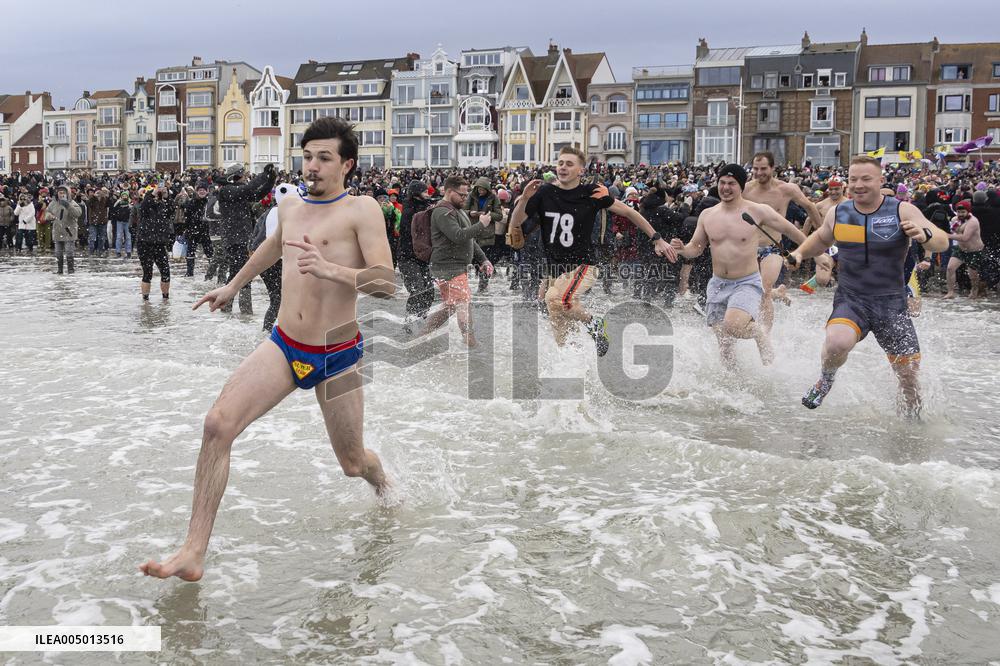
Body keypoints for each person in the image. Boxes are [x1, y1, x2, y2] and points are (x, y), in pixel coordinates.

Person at [140, 117, 395, 581]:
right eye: (307, 156)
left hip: (338, 352)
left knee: (353, 463)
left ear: (347, 164)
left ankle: (386, 489)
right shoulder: (292, 204)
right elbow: (275, 247)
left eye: (324, 158)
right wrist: (232, 286)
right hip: (284, 343)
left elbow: (386, 282)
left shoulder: (363, 211)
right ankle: (193, 551)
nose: (312, 166)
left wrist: (332, 269)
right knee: (217, 425)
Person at [786, 156, 949, 416]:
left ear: (880, 180)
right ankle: (826, 380)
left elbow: (942, 241)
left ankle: (912, 424)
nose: (858, 185)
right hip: (852, 299)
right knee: (836, 342)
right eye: (853, 179)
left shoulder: (901, 210)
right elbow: (820, 238)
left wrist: (925, 235)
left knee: (908, 378)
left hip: (891, 304)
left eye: (866, 179)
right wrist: (799, 253)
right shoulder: (840, 212)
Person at [509, 146, 676, 355]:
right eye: (560, 163)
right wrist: (524, 198)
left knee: (557, 299)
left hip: (583, 265)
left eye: (569, 164)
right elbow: (516, 223)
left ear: (581, 170)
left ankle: (595, 324)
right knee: (558, 316)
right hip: (555, 269)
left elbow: (629, 212)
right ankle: (573, 360)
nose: (562, 168)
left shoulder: (592, 193)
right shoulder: (544, 193)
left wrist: (657, 238)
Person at [669, 164, 791, 368]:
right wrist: (682, 249)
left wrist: (812, 251)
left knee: (733, 326)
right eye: (722, 183)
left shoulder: (754, 211)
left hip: (745, 281)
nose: (726, 187)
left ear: (741, 186)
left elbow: (788, 228)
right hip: (717, 283)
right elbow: (696, 248)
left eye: (731, 183)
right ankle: (733, 384)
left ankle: (758, 332)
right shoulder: (708, 214)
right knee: (724, 343)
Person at [743, 152, 817, 330]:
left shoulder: (786, 189)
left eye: (763, 169)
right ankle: (779, 293)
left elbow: (810, 207)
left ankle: (765, 334)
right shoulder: (745, 189)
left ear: (772, 168)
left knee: (765, 289)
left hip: (772, 247)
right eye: (755, 168)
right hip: (748, 248)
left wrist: (822, 234)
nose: (759, 172)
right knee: (751, 290)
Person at [422, 175, 494, 346]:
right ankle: (471, 342)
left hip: (454, 267)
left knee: (451, 306)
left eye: (466, 195)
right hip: (448, 267)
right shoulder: (442, 211)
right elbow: (458, 236)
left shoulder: (458, 210)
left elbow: (469, 240)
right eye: (461, 195)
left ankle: (422, 335)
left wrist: (483, 259)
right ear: (448, 191)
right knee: (463, 302)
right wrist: (481, 225)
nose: (464, 198)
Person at [464, 176, 504, 293]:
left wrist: (487, 214)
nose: (481, 192)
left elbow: (499, 215)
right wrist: (471, 213)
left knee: (486, 261)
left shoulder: (493, 198)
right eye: (479, 189)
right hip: (473, 232)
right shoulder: (471, 196)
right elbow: (463, 211)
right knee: (472, 261)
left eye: (483, 190)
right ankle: (472, 283)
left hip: (487, 235)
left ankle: (483, 286)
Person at [136, 184, 175, 300]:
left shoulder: (163, 206)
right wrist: (152, 193)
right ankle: (145, 300)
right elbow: (144, 206)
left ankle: (165, 298)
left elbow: (171, 210)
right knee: (148, 272)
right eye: (155, 195)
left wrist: (166, 196)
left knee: (166, 271)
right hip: (144, 243)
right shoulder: (145, 205)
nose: (157, 197)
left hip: (159, 243)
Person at [944, 199, 984, 299]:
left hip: (974, 251)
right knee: (950, 268)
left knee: (973, 275)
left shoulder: (973, 221)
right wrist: (957, 228)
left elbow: (965, 237)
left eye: (963, 212)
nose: (960, 214)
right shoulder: (954, 219)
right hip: (960, 249)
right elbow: (957, 231)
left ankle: (974, 290)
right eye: (958, 212)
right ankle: (950, 292)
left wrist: (946, 235)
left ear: (968, 211)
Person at [46, 186, 82, 274]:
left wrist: (68, 205)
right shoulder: (53, 203)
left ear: (67, 194)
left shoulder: (72, 203)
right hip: (57, 231)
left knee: (69, 252)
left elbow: (78, 213)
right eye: (60, 192)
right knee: (58, 252)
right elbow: (47, 212)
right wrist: (49, 216)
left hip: (69, 231)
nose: (61, 194)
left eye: (63, 193)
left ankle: (70, 269)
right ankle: (60, 270)